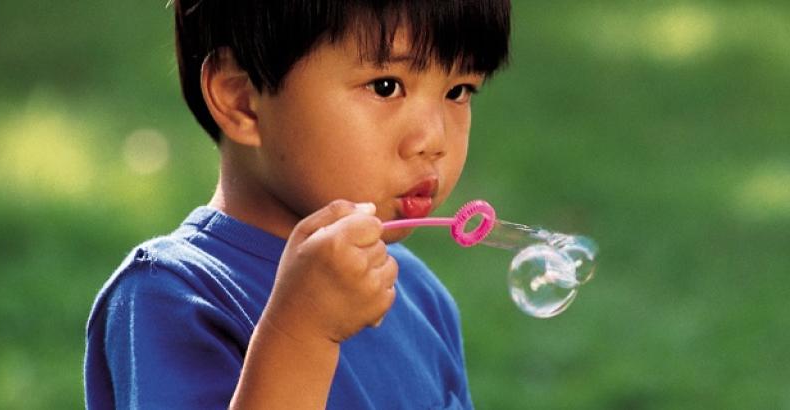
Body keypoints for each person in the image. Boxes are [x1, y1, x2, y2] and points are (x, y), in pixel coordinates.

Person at [84, 0, 511, 408]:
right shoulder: (173, 296)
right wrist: (302, 332)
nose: (433, 140)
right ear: (242, 100)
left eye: (458, 91)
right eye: (386, 87)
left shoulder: (416, 291)